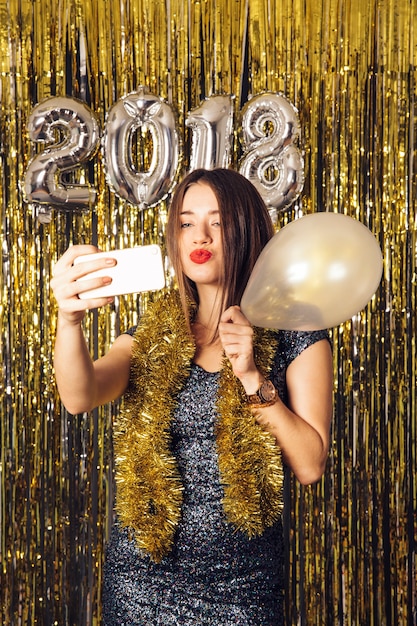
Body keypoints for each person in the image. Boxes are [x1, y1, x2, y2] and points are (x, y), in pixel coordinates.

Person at [51, 168, 333, 625]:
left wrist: (251, 377)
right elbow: (80, 394)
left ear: (246, 230)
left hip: (243, 589)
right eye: (185, 222)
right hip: (141, 584)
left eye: (217, 222)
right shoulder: (155, 332)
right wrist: (69, 321)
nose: (199, 235)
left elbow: (310, 464)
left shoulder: (296, 332)